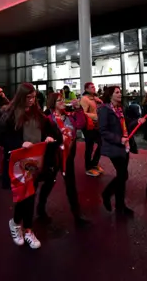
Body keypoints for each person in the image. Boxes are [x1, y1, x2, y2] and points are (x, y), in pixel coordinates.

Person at [0, 83, 57, 249]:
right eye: (28, 97)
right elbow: (1, 137)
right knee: (24, 197)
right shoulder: (10, 115)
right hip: (18, 164)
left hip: (35, 163)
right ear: (21, 97)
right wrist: (20, 143)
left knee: (29, 196)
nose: (31, 100)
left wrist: (48, 139)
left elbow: (48, 131)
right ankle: (18, 224)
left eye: (33, 97)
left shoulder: (39, 115)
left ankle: (25, 228)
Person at [37, 92, 89, 225]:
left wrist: (78, 109)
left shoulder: (70, 117)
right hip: (54, 157)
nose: (62, 102)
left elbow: (82, 124)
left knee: (71, 185)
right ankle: (40, 209)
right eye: (58, 100)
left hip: (68, 157)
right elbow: (43, 135)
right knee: (49, 182)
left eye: (62, 100)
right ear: (52, 103)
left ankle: (78, 215)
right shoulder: (47, 119)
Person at [98, 86, 145, 217]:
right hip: (115, 146)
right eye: (117, 93)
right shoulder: (104, 110)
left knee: (122, 175)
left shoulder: (120, 108)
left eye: (120, 92)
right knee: (123, 175)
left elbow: (127, 124)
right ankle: (107, 194)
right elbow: (103, 131)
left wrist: (137, 122)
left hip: (125, 145)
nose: (120, 94)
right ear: (110, 95)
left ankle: (120, 206)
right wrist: (119, 139)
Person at [80, 82, 104, 177]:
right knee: (90, 146)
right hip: (88, 126)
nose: (94, 88)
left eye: (94, 86)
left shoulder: (95, 98)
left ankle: (93, 164)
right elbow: (83, 113)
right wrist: (96, 116)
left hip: (95, 125)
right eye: (91, 87)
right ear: (86, 89)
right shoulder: (84, 99)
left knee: (100, 143)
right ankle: (89, 167)